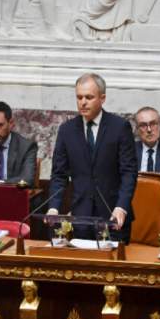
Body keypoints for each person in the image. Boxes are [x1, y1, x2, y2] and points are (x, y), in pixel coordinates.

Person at [47, 73, 138, 240]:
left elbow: (129, 172)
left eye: (89, 97)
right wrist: (54, 207)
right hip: (81, 217)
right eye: (79, 97)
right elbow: (59, 175)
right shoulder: (67, 130)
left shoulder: (119, 127)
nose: (83, 102)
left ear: (102, 98)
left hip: (113, 217)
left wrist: (121, 207)